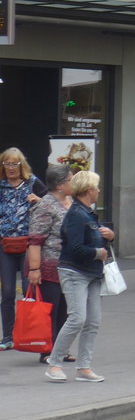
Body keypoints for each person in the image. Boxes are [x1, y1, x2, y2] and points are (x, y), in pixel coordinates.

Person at [45, 171, 113, 384]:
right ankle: (54, 363)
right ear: (89, 189)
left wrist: (109, 236)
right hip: (74, 271)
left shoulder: (87, 212)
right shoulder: (76, 214)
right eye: (97, 187)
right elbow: (74, 248)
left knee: (93, 321)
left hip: (92, 273)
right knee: (77, 318)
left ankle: (84, 367)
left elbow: (94, 239)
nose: (99, 191)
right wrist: (98, 253)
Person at [26, 164, 74, 363]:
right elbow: (35, 239)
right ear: (60, 185)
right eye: (71, 180)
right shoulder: (45, 205)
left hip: (68, 266)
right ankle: (47, 350)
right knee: (50, 310)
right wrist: (35, 269)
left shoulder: (70, 202)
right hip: (49, 266)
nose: (74, 183)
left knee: (65, 309)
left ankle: (60, 349)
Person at [0, 147, 42, 350]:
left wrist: (38, 200)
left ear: (21, 165)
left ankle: (27, 333)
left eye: (14, 163)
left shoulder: (32, 183)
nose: (11, 168)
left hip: (27, 245)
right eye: (7, 163)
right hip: (5, 244)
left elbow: (51, 204)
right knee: (7, 291)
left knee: (28, 289)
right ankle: (7, 337)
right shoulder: (0, 186)